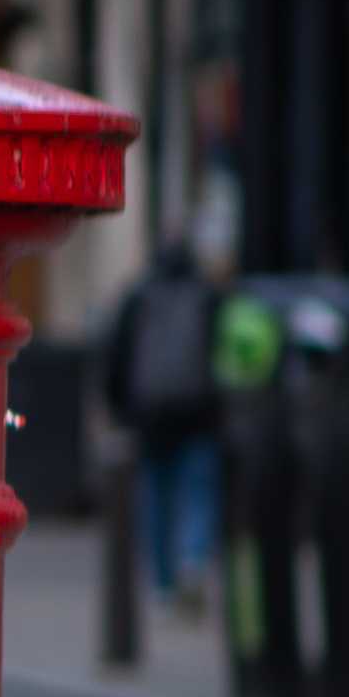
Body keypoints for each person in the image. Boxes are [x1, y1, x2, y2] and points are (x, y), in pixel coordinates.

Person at [116, 222, 229, 610]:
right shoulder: (208, 297)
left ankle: (163, 584)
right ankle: (193, 560)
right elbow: (224, 358)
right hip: (198, 415)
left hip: (150, 417)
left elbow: (116, 356)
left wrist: (121, 410)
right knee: (198, 493)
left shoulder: (139, 298)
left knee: (156, 500)